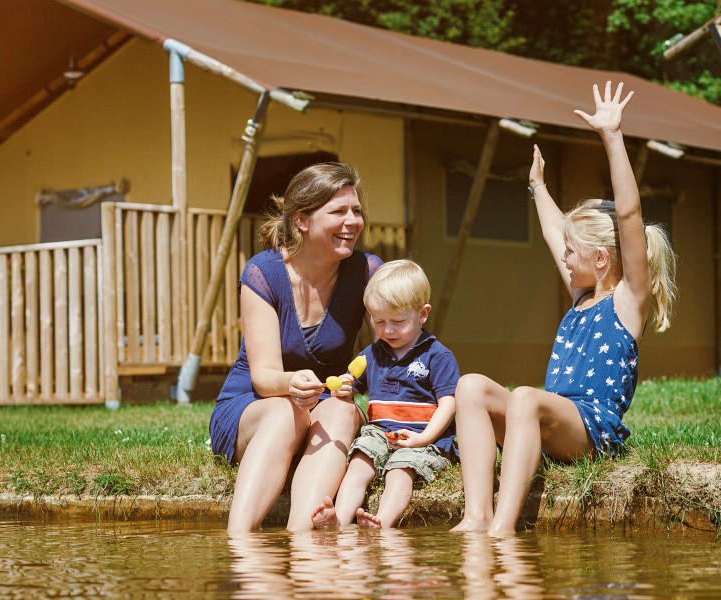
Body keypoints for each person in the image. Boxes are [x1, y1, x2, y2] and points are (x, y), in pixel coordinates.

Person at [451, 81, 677, 536]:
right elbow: (557, 231)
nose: (562, 258)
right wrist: (537, 187)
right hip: (550, 420)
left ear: (601, 259)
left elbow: (629, 217)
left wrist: (612, 138)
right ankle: (475, 517)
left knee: (526, 397)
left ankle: (503, 528)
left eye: (572, 253)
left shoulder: (628, 301)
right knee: (471, 386)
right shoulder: (581, 294)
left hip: (591, 431)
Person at [209, 162, 383, 533]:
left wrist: (360, 385)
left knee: (341, 410)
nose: (352, 221)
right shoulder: (262, 273)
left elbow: (391, 355)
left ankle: (303, 540)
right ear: (302, 220)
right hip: (257, 405)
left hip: (323, 406)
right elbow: (263, 376)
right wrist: (290, 383)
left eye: (356, 211)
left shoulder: (367, 272)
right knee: (285, 414)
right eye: (338, 212)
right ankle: (241, 547)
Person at [311, 259, 459, 529]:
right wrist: (343, 390)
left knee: (399, 471)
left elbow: (449, 404)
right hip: (380, 433)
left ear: (422, 314)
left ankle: (382, 522)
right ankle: (340, 521)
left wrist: (423, 438)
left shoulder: (437, 356)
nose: (387, 330)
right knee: (358, 464)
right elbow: (350, 389)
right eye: (378, 321)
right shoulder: (372, 355)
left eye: (397, 322)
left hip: (422, 437)